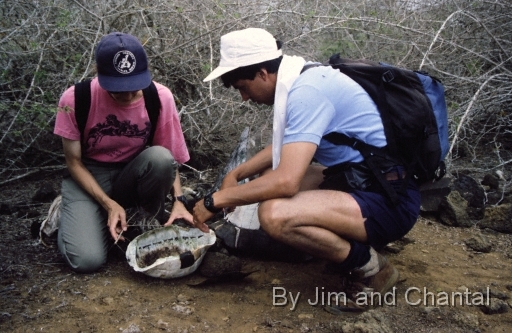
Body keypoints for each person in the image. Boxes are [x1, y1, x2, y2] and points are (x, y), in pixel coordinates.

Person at [193, 28, 420, 306]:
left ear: (263, 73)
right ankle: (338, 244)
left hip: (391, 200)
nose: (244, 97)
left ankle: (372, 268)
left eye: (243, 87)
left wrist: (215, 200)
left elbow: (286, 181)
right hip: (368, 180)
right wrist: (236, 174)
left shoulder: (308, 91)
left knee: (274, 213)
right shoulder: (302, 77)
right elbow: (284, 150)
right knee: (267, 181)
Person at [54, 32, 192, 273]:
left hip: (131, 171)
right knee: (86, 260)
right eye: (117, 89)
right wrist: (108, 204)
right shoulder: (75, 99)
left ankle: (142, 219)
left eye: (134, 87)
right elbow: (73, 162)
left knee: (159, 158)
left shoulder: (159, 97)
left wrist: (179, 201)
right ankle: (67, 218)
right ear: (99, 72)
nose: (128, 96)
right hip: (89, 174)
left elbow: (169, 157)